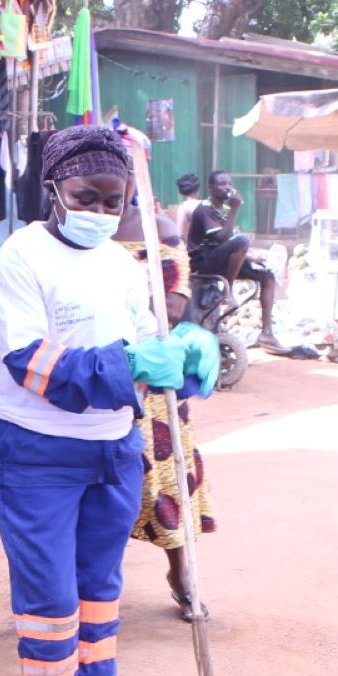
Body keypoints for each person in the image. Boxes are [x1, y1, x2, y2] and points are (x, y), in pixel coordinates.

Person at [0, 124, 204, 676]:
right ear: (54, 188)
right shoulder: (18, 259)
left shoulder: (121, 263)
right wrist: (129, 365)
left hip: (112, 449)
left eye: (115, 200)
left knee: (99, 601)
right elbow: (33, 364)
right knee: (50, 609)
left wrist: (186, 358)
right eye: (88, 196)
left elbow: (148, 343)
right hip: (36, 454)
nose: (102, 212)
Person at [119, 198, 220, 622]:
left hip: (149, 372)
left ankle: (182, 576)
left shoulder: (158, 228)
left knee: (165, 480)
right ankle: (91, 587)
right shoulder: (63, 229)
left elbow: (174, 305)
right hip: (86, 371)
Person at [188, 169, 283, 351]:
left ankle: (267, 333)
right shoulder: (205, 208)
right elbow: (223, 239)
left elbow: (232, 245)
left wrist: (251, 257)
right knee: (242, 240)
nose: (227, 187)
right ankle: (228, 289)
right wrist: (235, 209)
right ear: (211, 187)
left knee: (267, 275)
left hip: (221, 260)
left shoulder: (224, 210)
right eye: (222, 184)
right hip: (203, 261)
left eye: (229, 183)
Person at [172, 173, 205, 248]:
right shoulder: (205, 204)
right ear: (197, 189)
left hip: (193, 250)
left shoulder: (183, 208)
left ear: (180, 192)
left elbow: (178, 234)